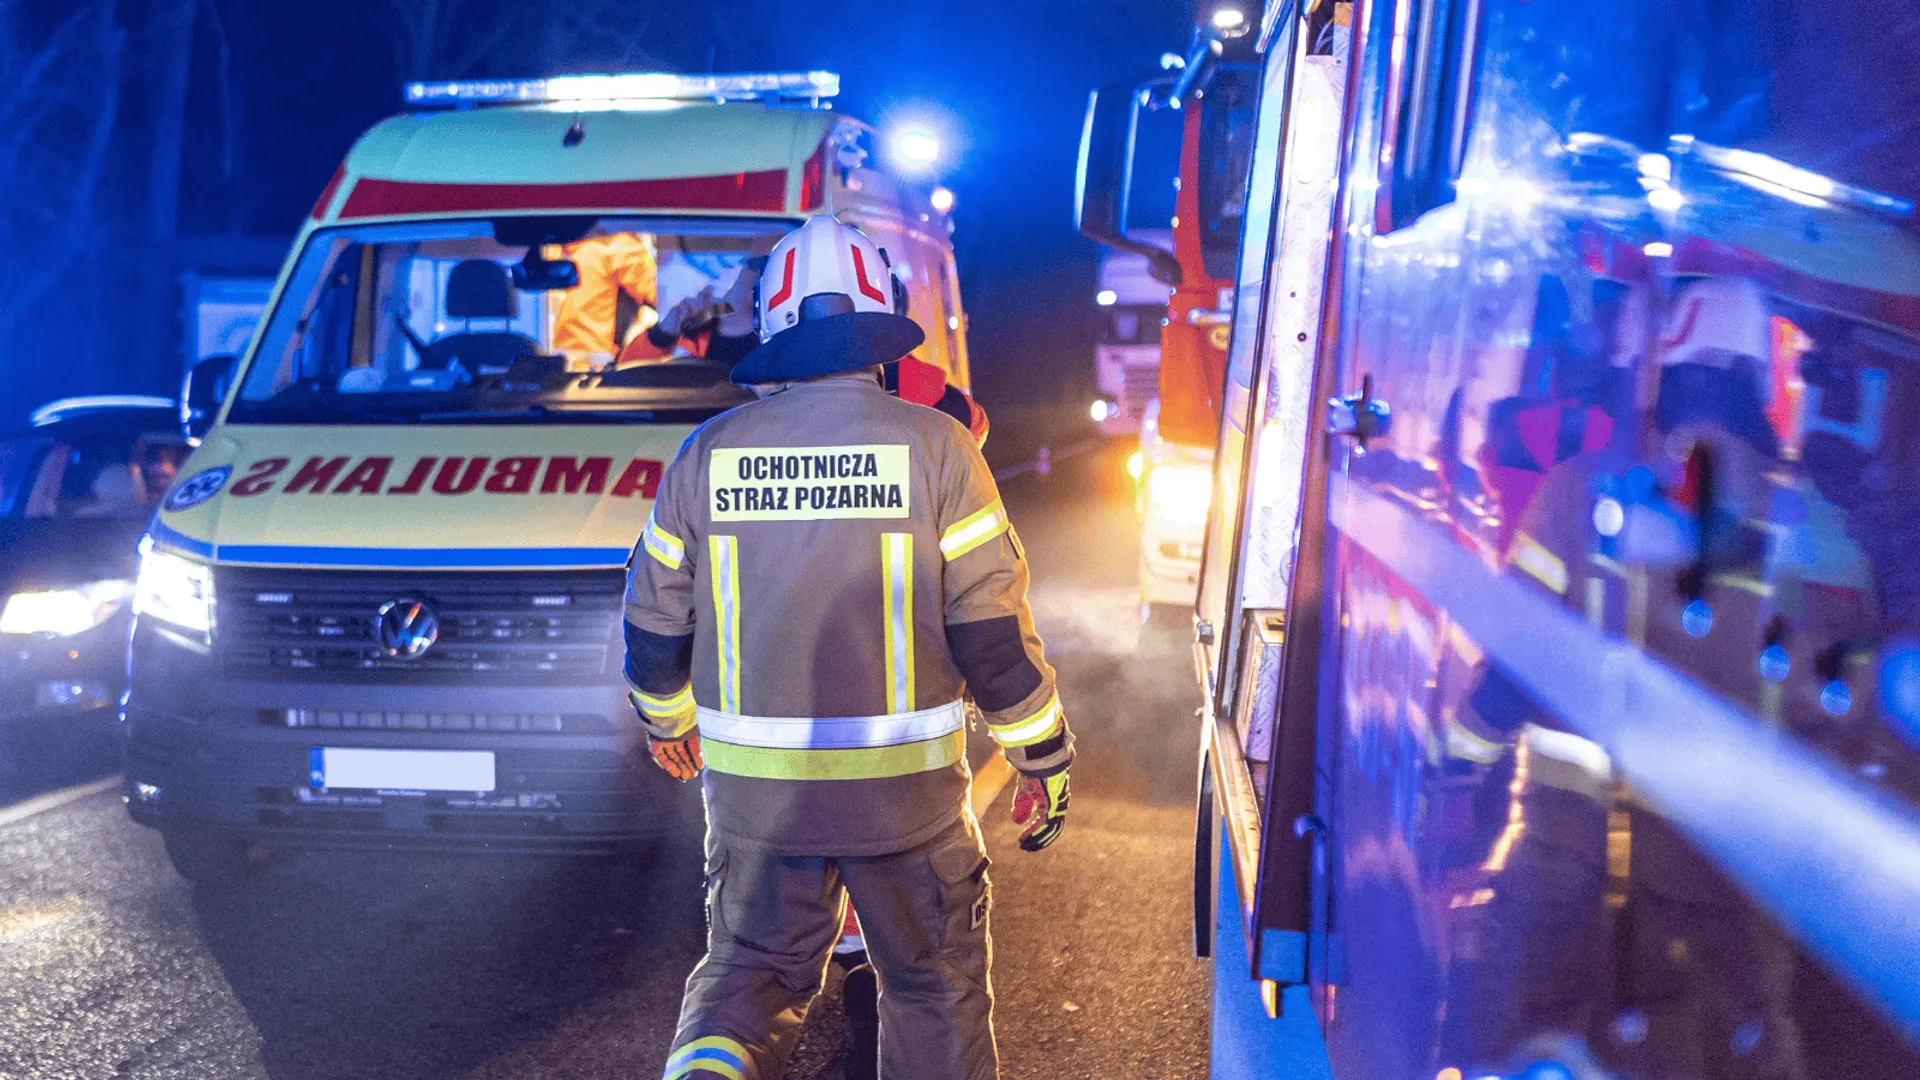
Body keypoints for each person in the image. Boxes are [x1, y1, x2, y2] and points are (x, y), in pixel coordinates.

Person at [623, 215, 1072, 1080]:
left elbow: (652, 616)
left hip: (757, 798)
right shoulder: (939, 445)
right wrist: (1041, 753)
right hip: (907, 802)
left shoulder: (706, 453)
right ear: (881, 317)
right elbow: (991, 633)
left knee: (747, 974)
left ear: (774, 324)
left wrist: (667, 718)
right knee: (930, 987)